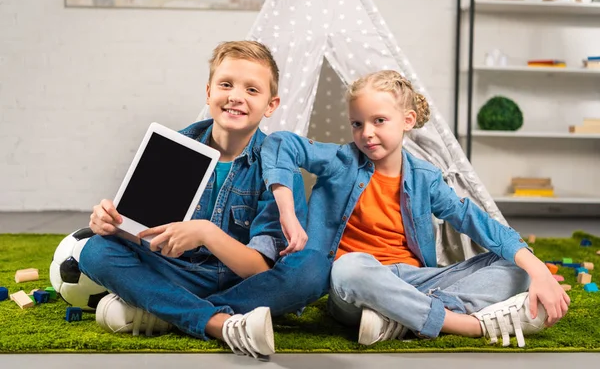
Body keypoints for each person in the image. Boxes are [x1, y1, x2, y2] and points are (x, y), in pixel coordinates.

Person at [260, 70, 570, 348]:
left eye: (379, 121)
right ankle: (466, 325)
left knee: (516, 265)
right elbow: (279, 144)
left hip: (416, 281)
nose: (366, 132)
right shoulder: (339, 161)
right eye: (357, 123)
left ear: (408, 121)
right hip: (356, 285)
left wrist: (537, 269)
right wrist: (287, 211)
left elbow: (472, 220)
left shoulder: (425, 177)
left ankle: (398, 318)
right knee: (348, 267)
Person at [79, 40, 330, 360]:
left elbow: (258, 269)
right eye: (226, 84)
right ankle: (218, 322)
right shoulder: (174, 147)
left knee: (313, 269)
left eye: (252, 90)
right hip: (178, 270)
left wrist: (206, 233)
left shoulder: (279, 168)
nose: (236, 96)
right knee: (95, 250)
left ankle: (166, 307)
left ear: (271, 105)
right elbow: (146, 234)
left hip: (243, 282)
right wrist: (111, 224)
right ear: (209, 92)